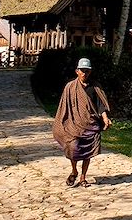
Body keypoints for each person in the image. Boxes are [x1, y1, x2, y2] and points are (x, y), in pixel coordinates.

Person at [52, 57, 112, 188]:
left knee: (88, 152)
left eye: (87, 71)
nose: (85, 73)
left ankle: (83, 177)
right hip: (74, 126)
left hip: (91, 125)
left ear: (90, 72)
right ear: (77, 71)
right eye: (82, 70)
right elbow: (64, 107)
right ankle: (74, 170)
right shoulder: (70, 88)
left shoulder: (95, 87)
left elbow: (100, 104)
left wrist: (105, 118)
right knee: (72, 148)